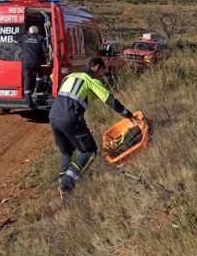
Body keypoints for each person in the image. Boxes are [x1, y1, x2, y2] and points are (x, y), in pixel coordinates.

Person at [50, 56, 134, 192]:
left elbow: (68, 101)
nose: (101, 75)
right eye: (101, 72)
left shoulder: (70, 76)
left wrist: (81, 121)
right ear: (96, 68)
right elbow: (109, 100)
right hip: (69, 118)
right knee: (89, 151)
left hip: (53, 116)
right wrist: (127, 114)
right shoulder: (91, 79)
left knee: (66, 151)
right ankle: (68, 181)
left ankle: (63, 182)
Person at [19, 25, 48, 107]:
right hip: (36, 62)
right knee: (39, 73)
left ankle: (28, 99)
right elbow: (45, 51)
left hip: (26, 63)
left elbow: (17, 38)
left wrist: (24, 32)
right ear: (37, 31)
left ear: (29, 31)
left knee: (27, 79)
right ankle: (37, 88)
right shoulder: (40, 38)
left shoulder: (24, 37)